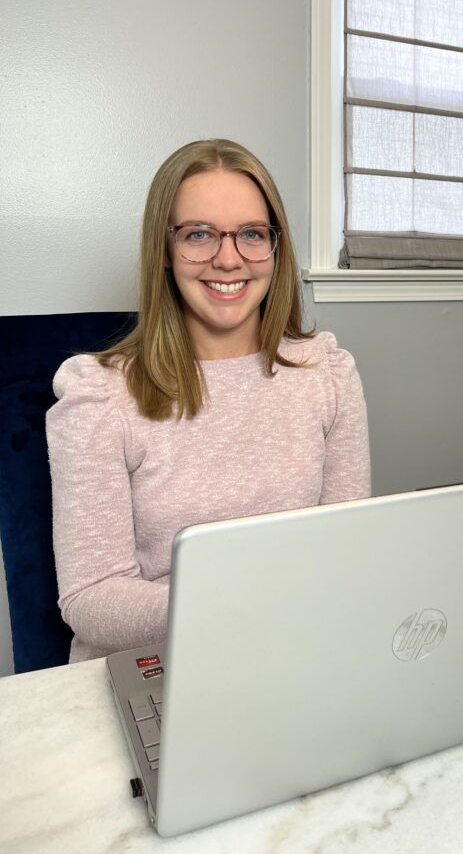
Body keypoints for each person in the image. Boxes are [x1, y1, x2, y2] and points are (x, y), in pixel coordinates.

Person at [46, 139, 370, 662]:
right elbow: (92, 599)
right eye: (199, 234)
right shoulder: (97, 397)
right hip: (157, 663)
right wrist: (243, 603)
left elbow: (347, 549)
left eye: (251, 234)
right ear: (166, 253)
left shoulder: (327, 373)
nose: (228, 258)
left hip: (295, 647)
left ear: (275, 248)